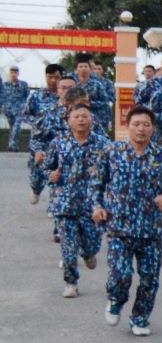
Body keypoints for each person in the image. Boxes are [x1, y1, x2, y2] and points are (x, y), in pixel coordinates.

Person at [95, 106, 162, 337]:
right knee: (121, 275)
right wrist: (97, 206)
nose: (141, 129)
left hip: (150, 229)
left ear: (153, 128)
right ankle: (116, 299)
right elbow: (97, 183)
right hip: (119, 227)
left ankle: (140, 318)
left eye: (146, 124)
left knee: (150, 278)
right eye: (136, 124)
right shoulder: (112, 151)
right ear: (128, 126)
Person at [48, 99, 111, 297]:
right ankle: (71, 282)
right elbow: (46, 167)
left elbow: (114, 169)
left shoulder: (103, 143)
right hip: (65, 203)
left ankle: (89, 253)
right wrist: (51, 175)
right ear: (69, 120)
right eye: (76, 117)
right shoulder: (59, 142)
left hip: (92, 204)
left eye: (85, 116)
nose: (81, 120)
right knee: (68, 246)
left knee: (91, 242)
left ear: (91, 119)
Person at [23, 65, 66, 200]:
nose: (53, 80)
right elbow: (26, 114)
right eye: (50, 77)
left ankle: (55, 203)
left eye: (56, 77)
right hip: (41, 141)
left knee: (59, 171)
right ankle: (36, 189)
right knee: (37, 173)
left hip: (60, 142)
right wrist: (37, 122)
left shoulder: (66, 97)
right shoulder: (36, 96)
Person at [1, 64, 28, 152]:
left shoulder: (23, 84)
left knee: (17, 127)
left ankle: (11, 144)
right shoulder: (5, 85)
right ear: (9, 73)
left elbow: (27, 97)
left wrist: (26, 107)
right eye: (12, 72)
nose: (13, 74)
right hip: (8, 110)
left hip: (20, 110)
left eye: (15, 72)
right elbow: (2, 96)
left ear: (18, 73)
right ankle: (14, 147)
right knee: (12, 128)